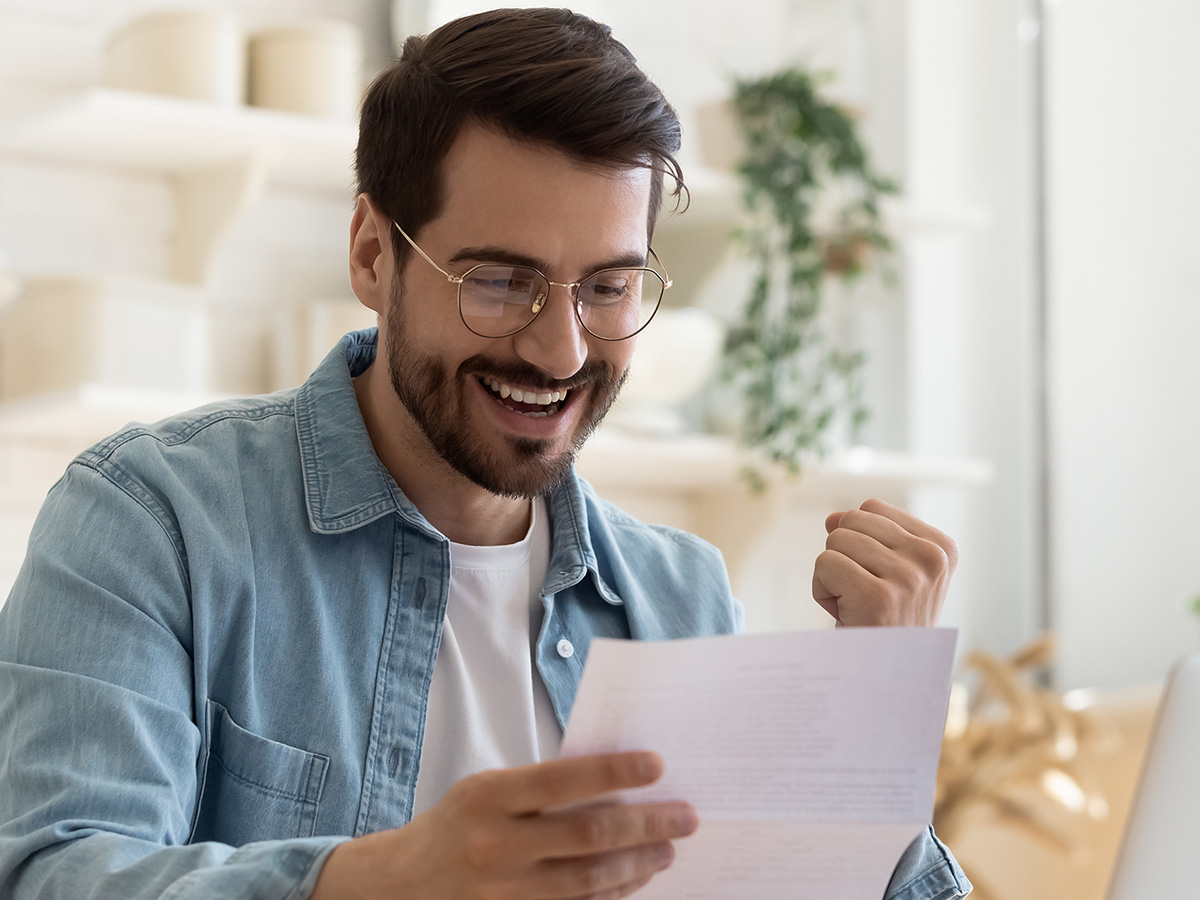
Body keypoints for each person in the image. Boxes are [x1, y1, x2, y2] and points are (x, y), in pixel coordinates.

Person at [0, 8, 970, 900]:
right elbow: (52, 873)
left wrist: (875, 729)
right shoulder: (150, 521)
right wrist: (381, 879)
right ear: (373, 254)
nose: (561, 352)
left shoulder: (681, 596)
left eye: (607, 288)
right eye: (502, 282)